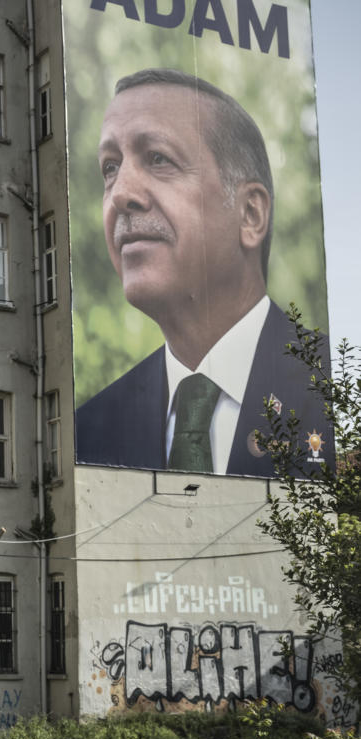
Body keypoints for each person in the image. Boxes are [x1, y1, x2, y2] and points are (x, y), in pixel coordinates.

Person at [75, 68, 330, 476]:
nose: (120, 193)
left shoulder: (334, 386)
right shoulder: (87, 432)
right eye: (110, 168)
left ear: (250, 214)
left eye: (158, 159)